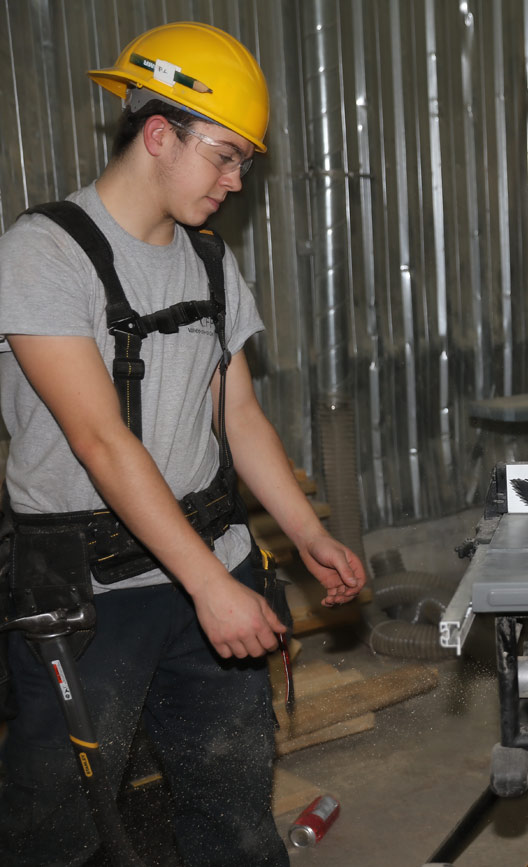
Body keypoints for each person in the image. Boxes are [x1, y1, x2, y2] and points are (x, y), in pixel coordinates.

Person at [0, 22, 366, 866]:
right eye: (225, 155)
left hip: (215, 558)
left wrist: (305, 536)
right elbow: (100, 440)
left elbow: (238, 416)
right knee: (59, 825)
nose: (237, 181)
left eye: (245, 162)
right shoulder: (43, 254)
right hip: (90, 596)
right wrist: (209, 588)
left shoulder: (208, 263)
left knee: (231, 808)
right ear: (159, 134)